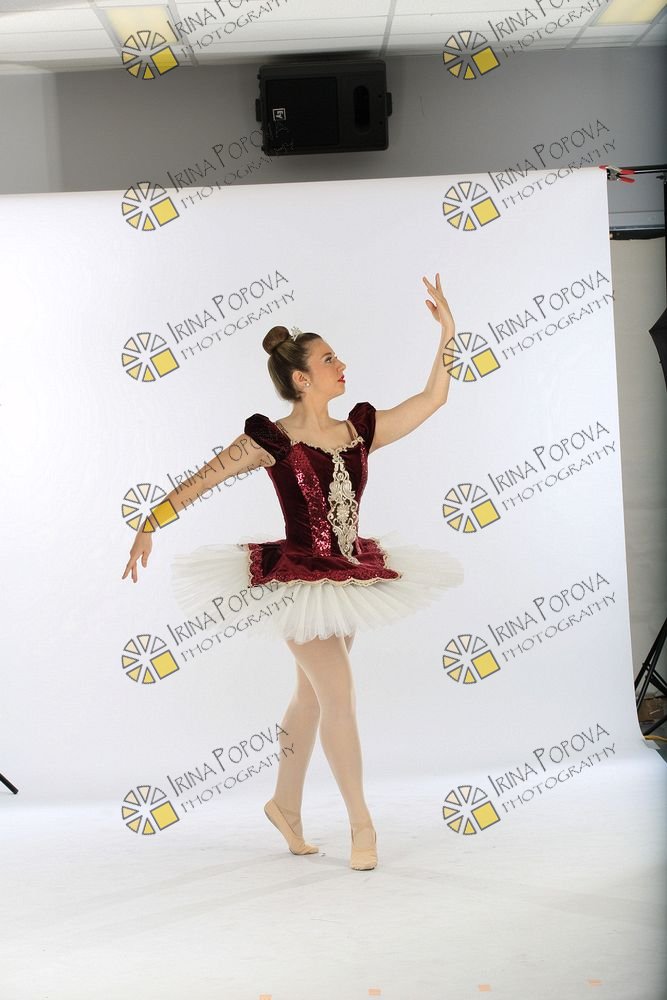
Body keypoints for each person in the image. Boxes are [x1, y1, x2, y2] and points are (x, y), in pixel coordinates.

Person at [122, 273, 463, 871]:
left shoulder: (358, 431)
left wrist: (448, 334)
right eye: (329, 359)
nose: (342, 365)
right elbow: (204, 478)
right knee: (339, 696)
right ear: (301, 378)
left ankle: (283, 804)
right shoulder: (271, 440)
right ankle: (362, 825)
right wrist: (152, 520)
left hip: (348, 577)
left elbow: (432, 400)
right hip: (296, 582)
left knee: (310, 697)